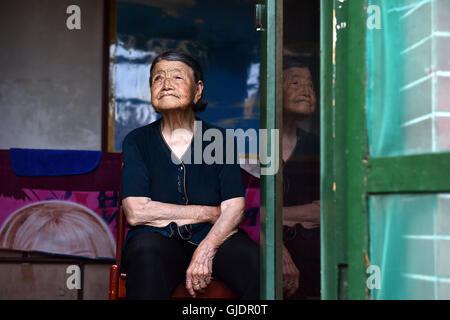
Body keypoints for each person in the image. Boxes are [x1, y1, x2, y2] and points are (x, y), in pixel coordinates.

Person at [120, 50, 259, 299]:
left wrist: (206, 250)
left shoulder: (220, 140)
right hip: (157, 240)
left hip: (214, 238)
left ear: (198, 90)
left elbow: (234, 208)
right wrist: (207, 212)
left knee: (252, 259)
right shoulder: (137, 141)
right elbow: (136, 212)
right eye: (157, 78)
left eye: (177, 77)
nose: (165, 85)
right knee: (146, 251)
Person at [281, 56, 321, 299]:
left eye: (311, 86)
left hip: (310, 251)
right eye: (295, 83)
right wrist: (278, 249)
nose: (306, 91)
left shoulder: (319, 147)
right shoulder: (252, 143)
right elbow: (242, 211)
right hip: (259, 245)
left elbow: (325, 209)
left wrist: (270, 215)